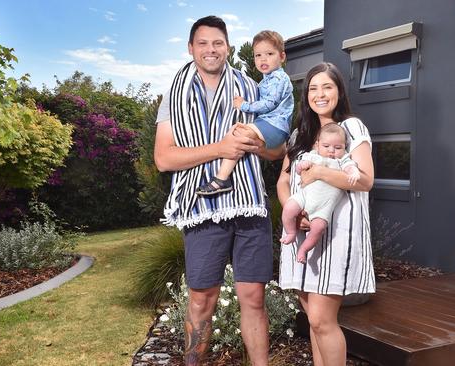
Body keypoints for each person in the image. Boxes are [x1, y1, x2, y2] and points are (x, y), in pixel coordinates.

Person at [154, 15, 285, 366]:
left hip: (249, 204)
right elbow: (164, 158)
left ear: (227, 47)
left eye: (217, 43)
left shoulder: (253, 89)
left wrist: (254, 144)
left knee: (254, 297)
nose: (210, 50)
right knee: (201, 300)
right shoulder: (174, 95)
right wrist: (221, 148)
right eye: (203, 43)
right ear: (191, 48)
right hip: (201, 206)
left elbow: (277, 150)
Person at [278, 62, 375, 366]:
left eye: (327, 87)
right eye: (313, 88)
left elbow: (365, 180)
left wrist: (319, 171)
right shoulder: (299, 136)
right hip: (301, 236)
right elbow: (283, 181)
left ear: (339, 91)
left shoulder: (351, 127)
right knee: (313, 322)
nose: (320, 94)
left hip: (335, 236)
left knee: (322, 321)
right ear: (306, 94)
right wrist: (292, 213)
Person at [196, 30, 293, 196]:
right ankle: (224, 177)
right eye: (258, 55)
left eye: (269, 54)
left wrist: (244, 105)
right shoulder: (266, 80)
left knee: (239, 133)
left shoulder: (279, 79)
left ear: (282, 57)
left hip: (275, 125)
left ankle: (222, 179)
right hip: (269, 124)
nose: (263, 59)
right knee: (238, 132)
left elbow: (270, 104)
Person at [280, 123, 360, 264]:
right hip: (305, 196)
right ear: (317, 145)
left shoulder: (343, 160)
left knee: (318, 228)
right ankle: (291, 232)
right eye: (326, 146)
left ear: (344, 147)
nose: (331, 151)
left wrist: (354, 172)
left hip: (324, 206)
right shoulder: (313, 156)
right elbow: (299, 169)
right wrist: (302, 166)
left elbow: (351, 167)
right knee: (288, 208)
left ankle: (303, 249)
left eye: (338, 147)